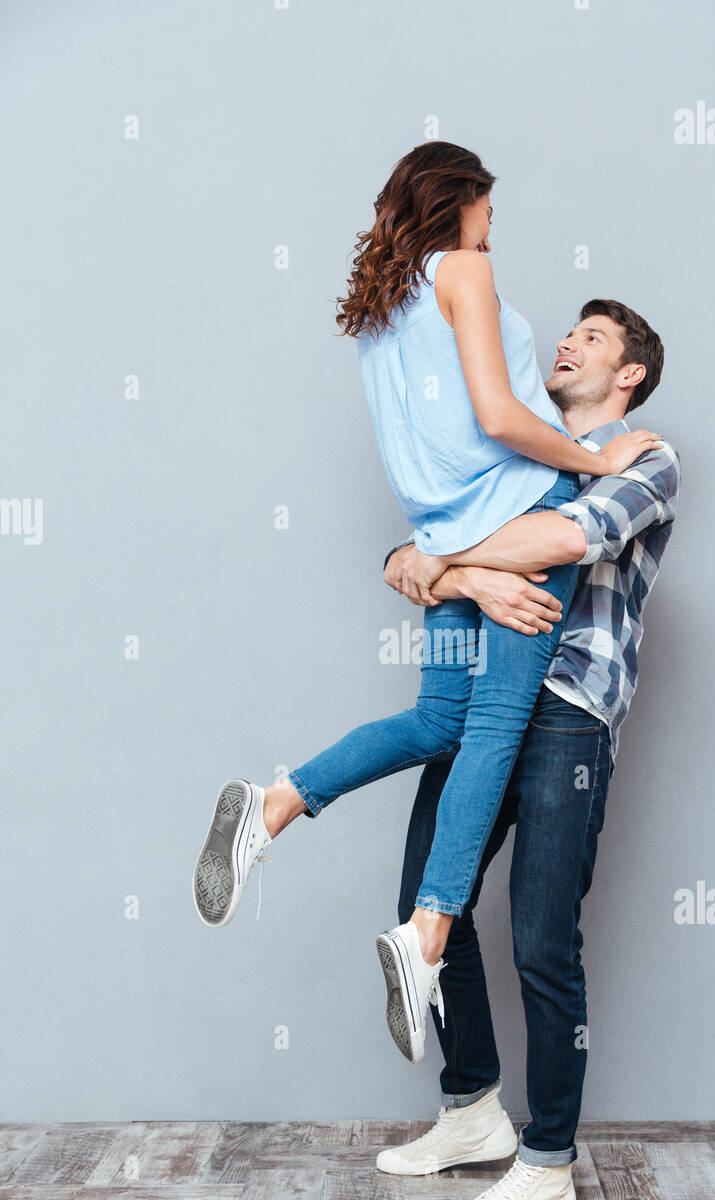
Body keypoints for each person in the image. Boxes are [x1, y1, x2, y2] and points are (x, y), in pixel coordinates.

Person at [192, 145, 659, 1069]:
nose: (494, 226)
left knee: (439, 717)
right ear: (465, 201)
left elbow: (428, 450)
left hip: (444, 531)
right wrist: (598, 462)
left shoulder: (382, 302)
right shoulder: (467, 269)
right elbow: (496, 413)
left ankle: (277, 802)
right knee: (489, 729)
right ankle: (430, 934)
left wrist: (443, 560)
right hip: (522, 518)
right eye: (490, 207)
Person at [375, 298, 680, 1200]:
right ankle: (471, 1107)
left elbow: (558, 543)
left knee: (543, 938)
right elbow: (400, 555)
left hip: (568, 715)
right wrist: (435, 560)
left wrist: (442, 562)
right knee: (428, 903)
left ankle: (547, 1166)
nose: (567, 344)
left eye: (592, 339)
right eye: (569, 332)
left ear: (628, 374)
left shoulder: (647, 459)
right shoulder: (518, 447)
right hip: (480, 705)